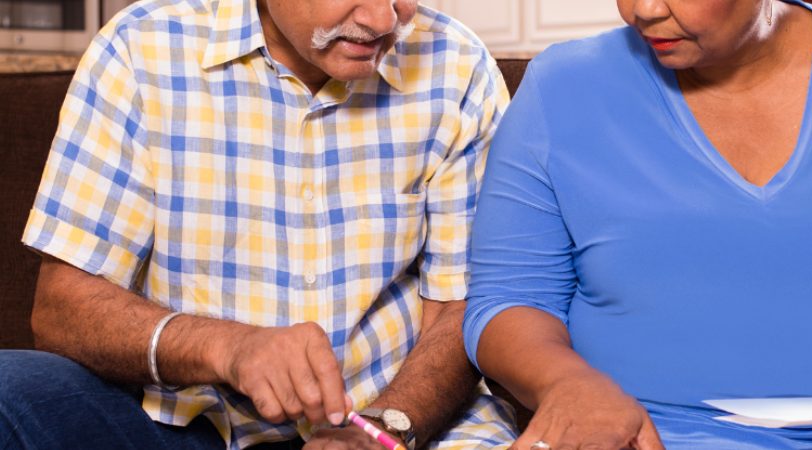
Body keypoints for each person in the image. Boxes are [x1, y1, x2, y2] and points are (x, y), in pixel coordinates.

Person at [0, 0, 516, 448]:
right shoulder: (140, 49)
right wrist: (225, 348)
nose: (384, 19)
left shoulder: (458, 69)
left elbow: (460, 309)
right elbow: (62, 308)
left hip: (402, 424)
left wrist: (382, 429)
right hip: (179, 427)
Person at [462, 0, 812, 448]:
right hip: (650, 438)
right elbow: (509, 301)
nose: (642, 10)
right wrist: (567, 383)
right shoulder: (562, 87)